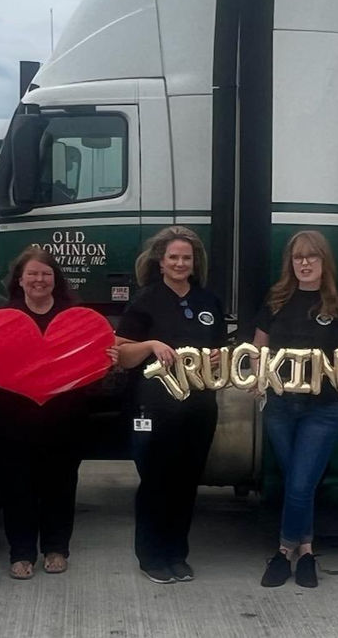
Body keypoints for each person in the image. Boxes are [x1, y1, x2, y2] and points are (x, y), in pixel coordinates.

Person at [254, 231, 338, 589]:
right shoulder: (276, 301)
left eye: (312, 257)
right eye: (298, 257)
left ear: (324, 262)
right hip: (280, 407)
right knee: (300, 482)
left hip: (324, 410)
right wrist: (253, 376)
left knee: (299, 483)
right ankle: (307, 551)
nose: (305, 263)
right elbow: (257, 349)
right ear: (290, 262)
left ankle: (283, 552)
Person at [116, 226, 224, 584]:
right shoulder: (145, 300)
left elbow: (220, 351)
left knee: (186, 483)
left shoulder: (208, 302)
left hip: (199, 408)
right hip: (155, 409)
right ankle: (152, 557)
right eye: (173, 257)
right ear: (160, 262)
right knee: (156, 483)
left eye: (186, 258)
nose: (180, 263)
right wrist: (151, 345)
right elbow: (121, 356)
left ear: (195, 263)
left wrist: (218, 359)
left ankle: (177, 554)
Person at [0, 247, 100, 580]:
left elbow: (91, 363)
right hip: (14, 419)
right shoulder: (2, 319)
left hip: (65, 418)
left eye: (46, 274)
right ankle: (21, 553)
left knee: (61, 484)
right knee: (17, 486)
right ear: (19, 280)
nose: (39, 280)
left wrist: (103, 355)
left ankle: (56, 548)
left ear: (56, 280)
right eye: (33, 274)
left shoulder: (76, 317)